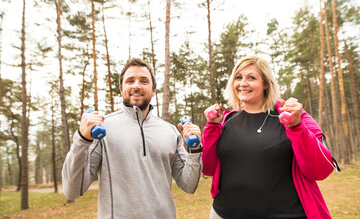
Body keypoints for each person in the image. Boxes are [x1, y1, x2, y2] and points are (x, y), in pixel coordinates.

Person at [62, 58, 203, 219]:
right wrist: (82, 139)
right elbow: (72, 190)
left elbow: (189, 185)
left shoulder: (170, 131)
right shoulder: (102, 128)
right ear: (121, 89)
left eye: (144, 81)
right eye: (130, 81)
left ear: (154, 90)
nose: (136, 85)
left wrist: (195, 150)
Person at [201, 56, 336, 219]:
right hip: (224, 214)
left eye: (251, 77)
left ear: (265, 83)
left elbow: (320, 170)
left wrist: (296, 127)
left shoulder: (293, 117)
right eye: (238, 77)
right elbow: (208, 168)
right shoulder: (225, 121)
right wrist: (211, 126)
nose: (243, 83)